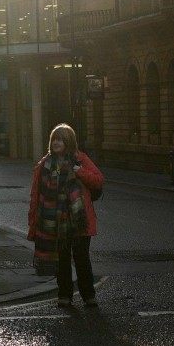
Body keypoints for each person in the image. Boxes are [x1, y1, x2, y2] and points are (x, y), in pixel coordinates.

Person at [27, 123, 104, 308]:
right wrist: (33, 221)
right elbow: (35, 195)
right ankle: (64, 296)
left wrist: (80, 172)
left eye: (60, 139)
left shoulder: (80, 159)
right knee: (61, 259)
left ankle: (88, 296)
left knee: (82, 258)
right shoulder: (44, 165)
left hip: (79, 221)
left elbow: (99, 181)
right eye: (54, 139)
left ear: (68, 141)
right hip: (54, 221)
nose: (56, 142)